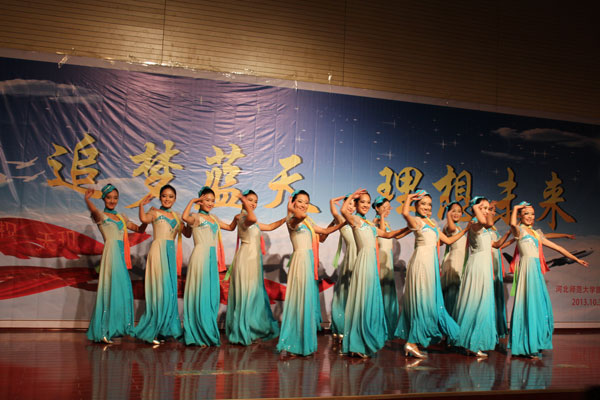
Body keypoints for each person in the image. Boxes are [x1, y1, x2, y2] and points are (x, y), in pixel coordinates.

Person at [509, 202, 589, 358]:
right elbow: (512, 224)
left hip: (536, 271)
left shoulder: (536, 234)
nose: (530, 217)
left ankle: (535, 343)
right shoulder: (519, 230)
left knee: (539, 305)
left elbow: (558, 248)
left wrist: (577, 259)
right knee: (527, 305)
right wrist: (516, 208)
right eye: (526, 214)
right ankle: (526, 345)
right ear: (520, 216)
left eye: (532, 214)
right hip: (527, 270)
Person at [395, 190, 469, 359]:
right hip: (421, 263)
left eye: (429, 204)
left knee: (431, 303)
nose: (427, 207)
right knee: (422, 302)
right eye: (423, 204)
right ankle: (412, 342)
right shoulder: (417, 221)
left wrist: (466, 230)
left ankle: (414, 341)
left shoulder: (432, 223)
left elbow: (448, 241)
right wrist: (409, 198)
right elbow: (405, 213)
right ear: (416, 206)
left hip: (432, 264)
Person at [276, 190, 343, 356]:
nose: (304, 205)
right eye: (300, 201)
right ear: (293, 202)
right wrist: (290, 210)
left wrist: (340, 221)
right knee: (298, 302)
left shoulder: (308, 221)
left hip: (309, 262)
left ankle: (303, 342)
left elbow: (324, 233)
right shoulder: (292, 219)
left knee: (306, 303)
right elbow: (297, 217)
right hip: (300, 261)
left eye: (306, 202)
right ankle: (292, 343)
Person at [341, 189, 407, 357]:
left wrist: (409, 227)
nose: (365, 205)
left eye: (367, 202)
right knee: (362, 301)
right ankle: (356, 344)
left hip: (372, 263)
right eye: (362, 202)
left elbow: (388, 234)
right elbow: (343, 211)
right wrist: (352, 196)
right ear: (356, 204)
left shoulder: (370, 224)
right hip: (363, 262)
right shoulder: (355, 220)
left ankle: (362, 341)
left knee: (369, 301)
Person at [84, 184, 147, 344]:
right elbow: (93, 211)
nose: (112, 201)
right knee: (109, 290)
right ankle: (103, 330)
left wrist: (145, 216)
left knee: (121, 290)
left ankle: (118, 328)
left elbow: (139, 229)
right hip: (111, 253)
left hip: (121, 255)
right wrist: (87, 199)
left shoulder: (121, 217)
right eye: (109, 197)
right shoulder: (101, 216)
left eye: (115, 198)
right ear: (104, 198)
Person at [450, 196, 510, 357]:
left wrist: (509, 232)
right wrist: (481, 207)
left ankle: (474, 341)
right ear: (475, 209)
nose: (486, 211)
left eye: (487, 208)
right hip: (477, 265)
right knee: (475, 302)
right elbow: (486, 222)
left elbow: (496, 245)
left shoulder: (485, 228)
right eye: (483, 208)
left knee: (483, 303)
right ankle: (471, 342)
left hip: (485, 265)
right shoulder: (475, 224)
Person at [225, 189, 286, 345]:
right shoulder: (242, 217)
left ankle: (250, 328)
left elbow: (271, 226)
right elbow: (250, 218)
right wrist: (243, 202)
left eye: (255, 201)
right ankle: (243, 330)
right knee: (246, 294)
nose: (253, 203)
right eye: (250, 200)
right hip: (246, 258)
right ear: (244, 201)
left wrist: (287, 217)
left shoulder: (252, 221)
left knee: (253, 295)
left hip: (254, 259)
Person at [134, 184, 191, 345]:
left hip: (170, 254)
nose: (167, 199)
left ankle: (165, 329)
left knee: (169, 291)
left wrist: (190, 221)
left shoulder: (176, 216)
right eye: (164, 196)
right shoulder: (154, 212)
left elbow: (187, 234)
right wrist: (141, 205)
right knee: (158, 290)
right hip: (158, 252)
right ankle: (153, 329)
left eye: (171, 196)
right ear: (160, 198)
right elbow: (143, 220)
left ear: (175, 199)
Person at [181, 186, 237, 346]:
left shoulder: (214, 218)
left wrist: (236, 218)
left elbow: (230, 227)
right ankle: (197, 332)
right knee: (200, 292)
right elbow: (184, 217)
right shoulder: (196, 216)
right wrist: (192, 201)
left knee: (211, 294)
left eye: (212, 200)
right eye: (206, 200)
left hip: (212, 258)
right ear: (200, 200)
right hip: (200, 256)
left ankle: (207, 329)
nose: (210, 203)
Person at [372, 196, 410, 340]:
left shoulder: (385, 223)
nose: (388, 210)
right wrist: (381, 216)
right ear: (377, 208)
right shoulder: (375, 222)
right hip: (380, 259)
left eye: (389, 207)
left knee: (387, 293)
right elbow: (383, 233)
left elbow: (395, 236)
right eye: (385, 207)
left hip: (387, 259)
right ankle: (378, 327)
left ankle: (387, 327)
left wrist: (411, 228)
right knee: (380, 293)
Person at [325, 194, 357, 343]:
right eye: (348, 203)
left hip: (360, 258)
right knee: (344, 294)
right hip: (350, 259)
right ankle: (340, 327)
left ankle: (351, 328)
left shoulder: (357, 220)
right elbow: (334, 211)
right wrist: (333, 201)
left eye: (353, 204)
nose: (351, 207)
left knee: (354, 295)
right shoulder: (341, 219)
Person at [440, 201, 467, 316]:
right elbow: (451, 228)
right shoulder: (449, 226)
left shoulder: (458, 227)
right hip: (454, 260)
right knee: (452, 291)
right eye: (453, 211)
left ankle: (452, 317)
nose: (456, 213)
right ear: (448, 212)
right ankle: (449, 317)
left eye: (459, 211)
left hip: (460, 260)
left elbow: (441, 241)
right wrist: (448, 216)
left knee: (456, 291)